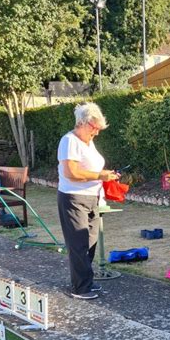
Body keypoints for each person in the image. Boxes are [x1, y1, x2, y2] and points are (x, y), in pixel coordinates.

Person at [57, 103, 119, 300]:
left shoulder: (87, 142)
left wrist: (104, 176)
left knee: (90, 241)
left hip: (92, 197)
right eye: (95, 129)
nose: (97, 133)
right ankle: (80, 287)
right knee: (78, 243)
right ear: (83, 123)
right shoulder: (69, 141)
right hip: (73, 198)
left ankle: (87, 280)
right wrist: (100, 175)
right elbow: (71, 172)